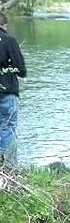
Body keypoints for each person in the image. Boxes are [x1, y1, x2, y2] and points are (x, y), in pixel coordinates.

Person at [0, 11, 26, 168]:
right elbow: (22, 70)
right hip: (7, 92)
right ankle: (8, 168)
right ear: (5, 25)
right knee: (8, 127)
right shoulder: (10, 41)